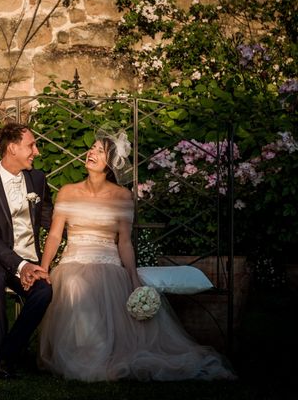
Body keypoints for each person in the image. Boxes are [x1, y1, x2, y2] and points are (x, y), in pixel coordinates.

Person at [38, 130, 236, 381]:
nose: (91, 153)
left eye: (100, 151)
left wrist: (131, 277)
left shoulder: (122, 196)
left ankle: (102, 353)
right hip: (73, 260)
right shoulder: (67, 191)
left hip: (108, 262)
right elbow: (55, 236)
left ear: (111, 164)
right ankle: (85, 355)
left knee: (101, 285)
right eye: (92, 148)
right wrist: (44, 268)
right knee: (76, 283)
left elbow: (125, 243)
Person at [0, 122, 54, 379]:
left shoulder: (37, 179)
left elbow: (49, 218)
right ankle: (6, 355)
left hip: (29, 259)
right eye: (31, 145)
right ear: (13, 148)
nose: (36, 151)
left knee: (44, 291)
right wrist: (20, 265)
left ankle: (4, 356)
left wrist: (83, 233)